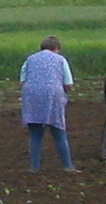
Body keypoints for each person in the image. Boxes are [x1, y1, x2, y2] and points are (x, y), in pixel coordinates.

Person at [21, 35, 77, 172]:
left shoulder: (30, 59)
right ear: (56, 49)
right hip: (53, 94)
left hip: (31, 95)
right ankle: (68, 166)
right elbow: (68, 84)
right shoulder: (60, 60)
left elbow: (22, 81)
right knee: (58, 131)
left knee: (35, 133)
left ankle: (34, 167)